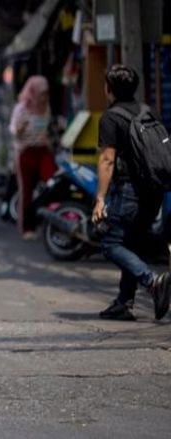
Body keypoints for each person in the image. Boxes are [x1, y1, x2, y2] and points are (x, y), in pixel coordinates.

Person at [92, 64, 171, 321]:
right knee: (131, 243)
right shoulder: (149, 111)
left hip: (128, 190)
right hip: (154, 190)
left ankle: (152, 282)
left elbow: (107, 160)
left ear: (108, 89)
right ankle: (123, 303)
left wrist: (100, 198)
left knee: (110, 243)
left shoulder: (111, 117)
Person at [9, 75, 56, 239]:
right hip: (25, 152)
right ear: (33, 92)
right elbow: (14, 130)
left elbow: (47, 128)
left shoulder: (46, 107)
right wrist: (20, 129)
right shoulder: (22, 108)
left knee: (53, 182)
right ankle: (26, 227)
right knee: (26, 191)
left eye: (46, 93)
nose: (44, 97)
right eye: (41, 93)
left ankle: (51, 220)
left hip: (42, 151)